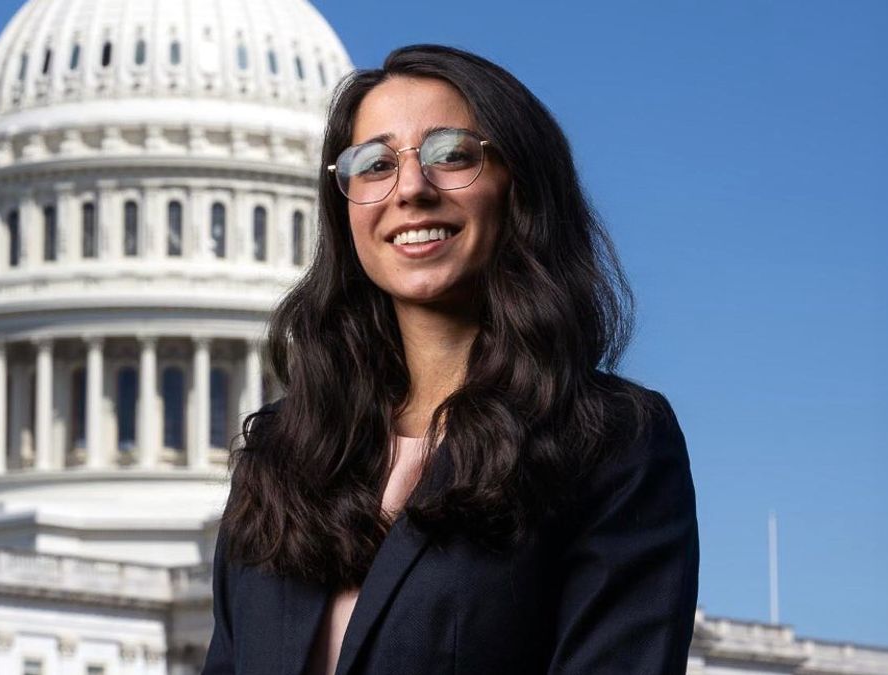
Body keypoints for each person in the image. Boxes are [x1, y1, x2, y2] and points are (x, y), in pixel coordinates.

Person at [202, 44, 699, 675]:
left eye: (450, 154)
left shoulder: (608, 443)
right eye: (374, 164)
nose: (411, 188)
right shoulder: (280, 455)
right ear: (344, 205)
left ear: (517, 186)